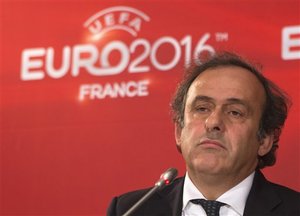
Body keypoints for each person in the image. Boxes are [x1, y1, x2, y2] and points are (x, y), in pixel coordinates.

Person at [107, 52, 300, 216]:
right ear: (179, 131)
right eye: (201, 108)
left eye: (235, 112)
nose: (213, 122)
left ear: (265, 139)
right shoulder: (130, 210)